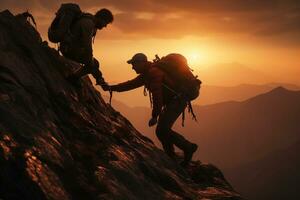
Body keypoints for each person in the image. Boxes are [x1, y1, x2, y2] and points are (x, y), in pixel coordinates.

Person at [104, 53, 198, 166]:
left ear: (141, 63)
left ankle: (188, 147)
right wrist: (111, 88)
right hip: (174, 100)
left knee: (162, 129)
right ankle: (171, 157)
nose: (132, 67)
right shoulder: (146, 74)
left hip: (178, 100)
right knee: (161, 131)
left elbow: (157, 96)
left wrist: (155, 116)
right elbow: (130, 85)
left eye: (134, 64)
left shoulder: (154, 73)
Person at [58, 8, 113, 88]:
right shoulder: (88, 23)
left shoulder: (90, 22)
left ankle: (99, 80)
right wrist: (90, 60)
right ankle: (73, 78)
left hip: (70, 47)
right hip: (69, 49)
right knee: (92, 64)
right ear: (101, 18)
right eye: (106, 22)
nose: (105, 26)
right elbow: (87, 45)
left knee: (93, 63)